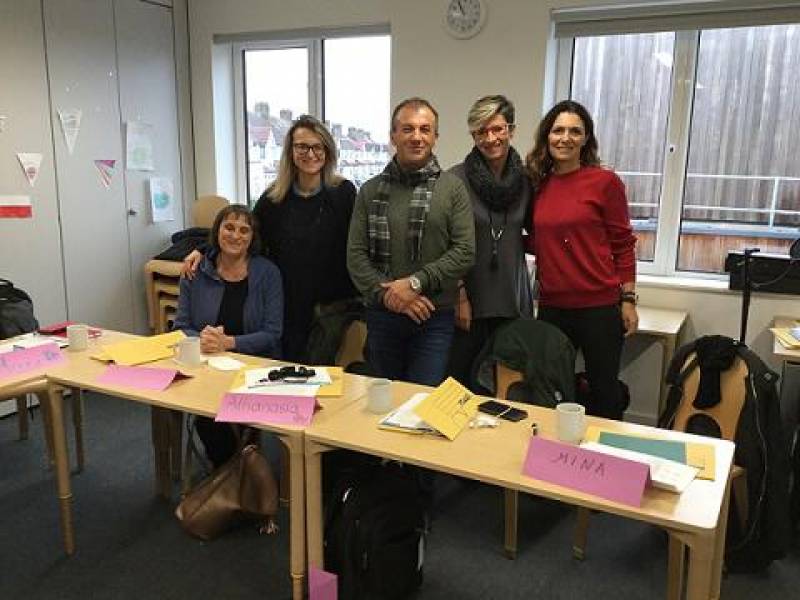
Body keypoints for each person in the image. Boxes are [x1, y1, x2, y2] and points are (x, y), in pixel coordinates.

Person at [183, 115, 356, 363]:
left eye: (317, 147)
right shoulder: (275, 198)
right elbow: (244, 233)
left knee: (318, 371)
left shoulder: (344, 193)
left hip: (331, 304)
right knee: (287, 367)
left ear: (327, 151)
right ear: (290, 152)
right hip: (288, 300)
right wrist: (203, 249)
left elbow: (358, 241)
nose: (310, 154)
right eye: (302, 146)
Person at [347, 97, 475, 386]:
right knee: (382, 399)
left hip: (433, 316)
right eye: (407, 129)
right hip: (382, 316)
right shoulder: (369, 191)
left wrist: (415, 283)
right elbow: (356, 257)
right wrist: (392, 297)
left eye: (425, 129)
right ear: (393, 136)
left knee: (422, 399)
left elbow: (465, 251)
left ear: (435, 137)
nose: (417, 137)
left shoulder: (453, 189)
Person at [525, 100, 638, 420]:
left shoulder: (605, 183)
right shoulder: (537, 185)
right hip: (552, 308)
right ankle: (553, 450)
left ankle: (603, 451)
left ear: (586, 138)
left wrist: (628, 300)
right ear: (547, 136)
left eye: (575, 131)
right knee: (550, 391)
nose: (565, 138)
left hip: (599, 308)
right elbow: (539, 239)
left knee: (604, 393)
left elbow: (623, 245)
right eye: (558, 130)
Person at [173, 205, 283, 467]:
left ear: (252, 237)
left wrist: (229, 343)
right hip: (207, 366)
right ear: (217, 231)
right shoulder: (195, 270)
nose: (236, 235)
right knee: (208, 418)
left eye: (244, 230)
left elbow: (272, 333)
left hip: (254, 368)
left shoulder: (268, 273)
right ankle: (233, 472)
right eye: (229, 227)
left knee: (238, 420)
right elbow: (181, 326)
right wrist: (203, 339)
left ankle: (238, 472)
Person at [447, 95, 533, 391]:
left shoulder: (527, 180)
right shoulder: (454, 180)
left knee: (508, 390)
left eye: (497, 129)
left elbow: (541, 229)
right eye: (481, 131)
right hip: (469, 301)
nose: (490, 138)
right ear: (473, 136)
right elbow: (445, 245)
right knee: (461, 387)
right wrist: (459, 297)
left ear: (511, 130)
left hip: (513, 299)